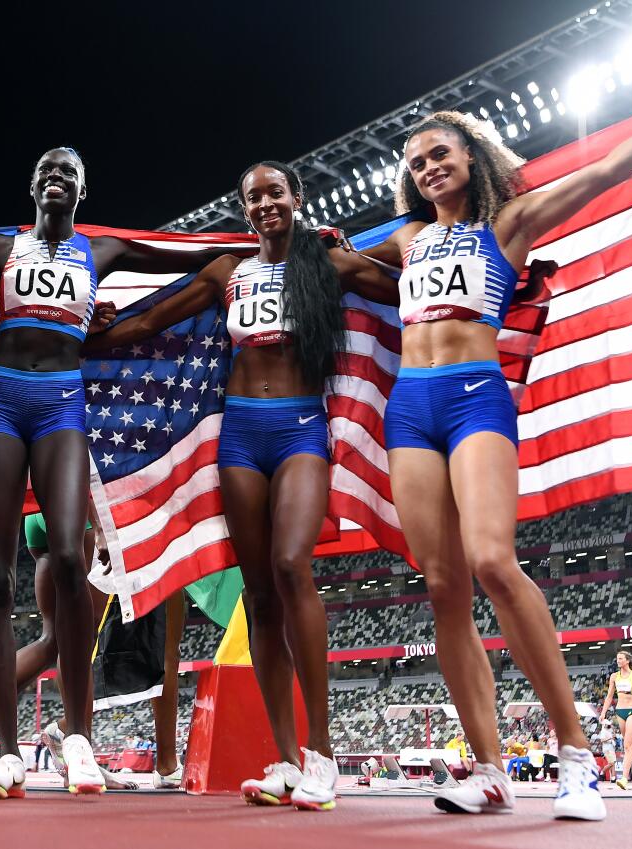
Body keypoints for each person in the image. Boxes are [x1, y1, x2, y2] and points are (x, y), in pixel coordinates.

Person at [363, 43, 632, 820]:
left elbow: (604, 175)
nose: (429, 166)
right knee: (440, 583)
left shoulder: (509, 224)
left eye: (442, 153)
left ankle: (576, 757)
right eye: (418, 161)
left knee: (493, 560)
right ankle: (489, 768)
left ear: (471, 160)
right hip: (409, 407)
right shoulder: (403, 241)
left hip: (474, 398)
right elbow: (311, 268)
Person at [84, 160, 397, 812]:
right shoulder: (230, 273)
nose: (264, 205)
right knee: (258, 595)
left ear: (296, 197)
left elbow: (404, 287)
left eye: (274, 193)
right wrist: (84, 332)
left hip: (303, 430)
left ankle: (324, 752)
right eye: (253, 198)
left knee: (290, 567)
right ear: (246, 210)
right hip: (239, 438)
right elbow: (151, 323)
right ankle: (285, 758)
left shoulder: (324, 266)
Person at [0, 147, 247, 798]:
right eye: (48, 170)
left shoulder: (101, 251)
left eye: (70, 174)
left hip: (61, 404)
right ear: (32, 185)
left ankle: (78, 739)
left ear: (81, 193)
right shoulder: (1, 251)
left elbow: (186, 258)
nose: (57, 178)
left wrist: (258, 248)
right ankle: (5, 750)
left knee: (67, 557)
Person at [0, 512, 183, 793]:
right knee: (80, 635)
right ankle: (87, 755)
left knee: (55, 638)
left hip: (38, 514)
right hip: (85, 506)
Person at [599, 651, 632, 790]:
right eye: (617, 658)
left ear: (627, 660)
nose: (618, 661)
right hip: (620, 712)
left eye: (620, 658)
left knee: (627, 746)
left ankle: (624, 778)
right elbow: (609, 696)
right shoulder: (614, 676)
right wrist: (603, 712)